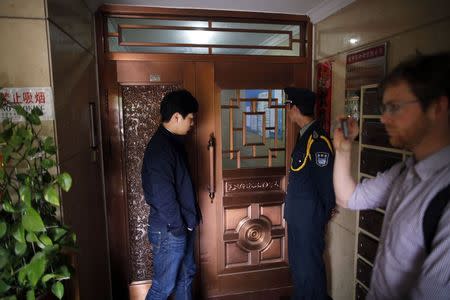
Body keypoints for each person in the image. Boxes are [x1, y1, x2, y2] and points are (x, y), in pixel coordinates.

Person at [333, 53, 450, 299]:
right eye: (384, 108)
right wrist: (343, 149)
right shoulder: (406, 171)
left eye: (394, 107)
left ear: (438, 107)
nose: (384, 118)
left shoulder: (443, 193)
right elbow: (349, 198)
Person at [141, 89, 201, 300]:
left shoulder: (173, 143)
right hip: (170, 230)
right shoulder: (160, 149)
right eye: (191, 119)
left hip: (180, 226)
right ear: (177, 117)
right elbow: (163, 196)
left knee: (185, 278)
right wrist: (178, 228)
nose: (193, 124)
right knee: (163, 287)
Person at [284, 87, 336, 300]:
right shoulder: (304, 136)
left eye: (288, 107)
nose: (288, 111)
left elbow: (326, 183)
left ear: (295, 108)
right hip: (298, 216)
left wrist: (321, 216)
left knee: (309, 268)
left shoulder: (318, 141)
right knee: (299, 266)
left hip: (309, 218)